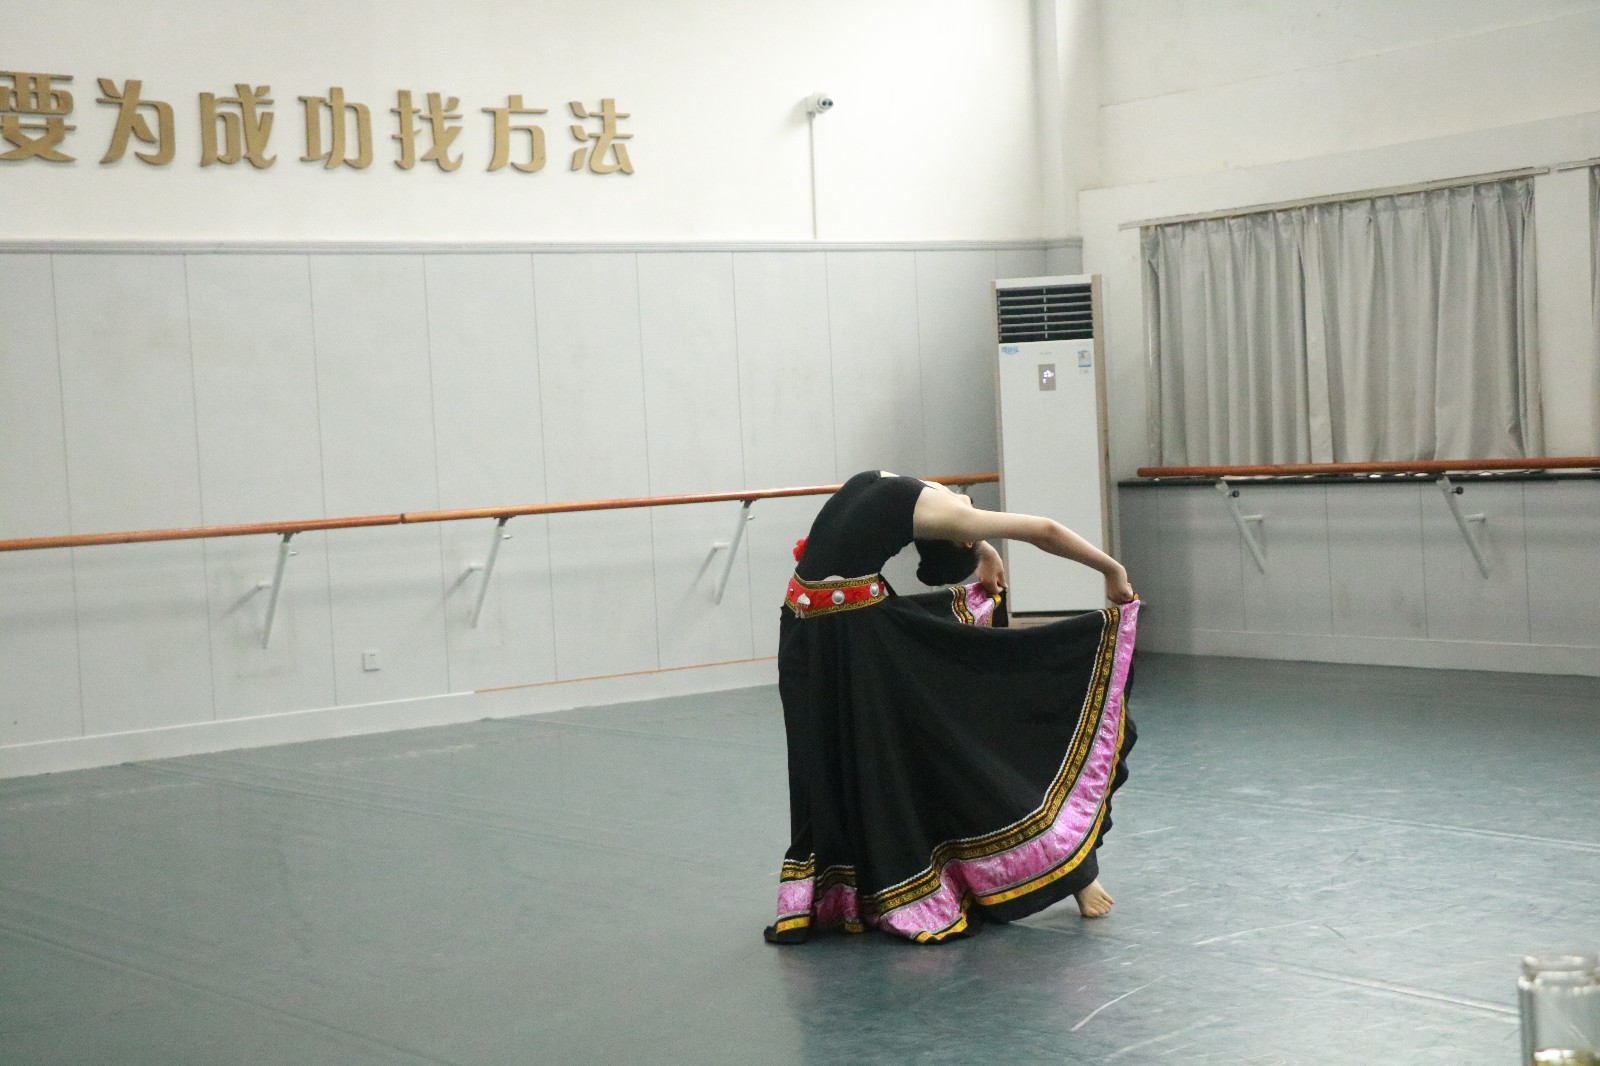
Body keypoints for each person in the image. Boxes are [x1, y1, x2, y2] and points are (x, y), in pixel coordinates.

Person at [766, 470, 1139, 945]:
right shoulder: (945, 511)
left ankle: (1073, 873)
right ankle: (1064, 871)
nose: (968, 507)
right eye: (969, 531)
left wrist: (984, 550)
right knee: (893, 755)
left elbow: (949, 520)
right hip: (839, 640)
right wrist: (1113, 570)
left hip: (811, 632)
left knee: (930, 750)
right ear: (958, 537)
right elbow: (1044, 530)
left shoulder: (893, 481)